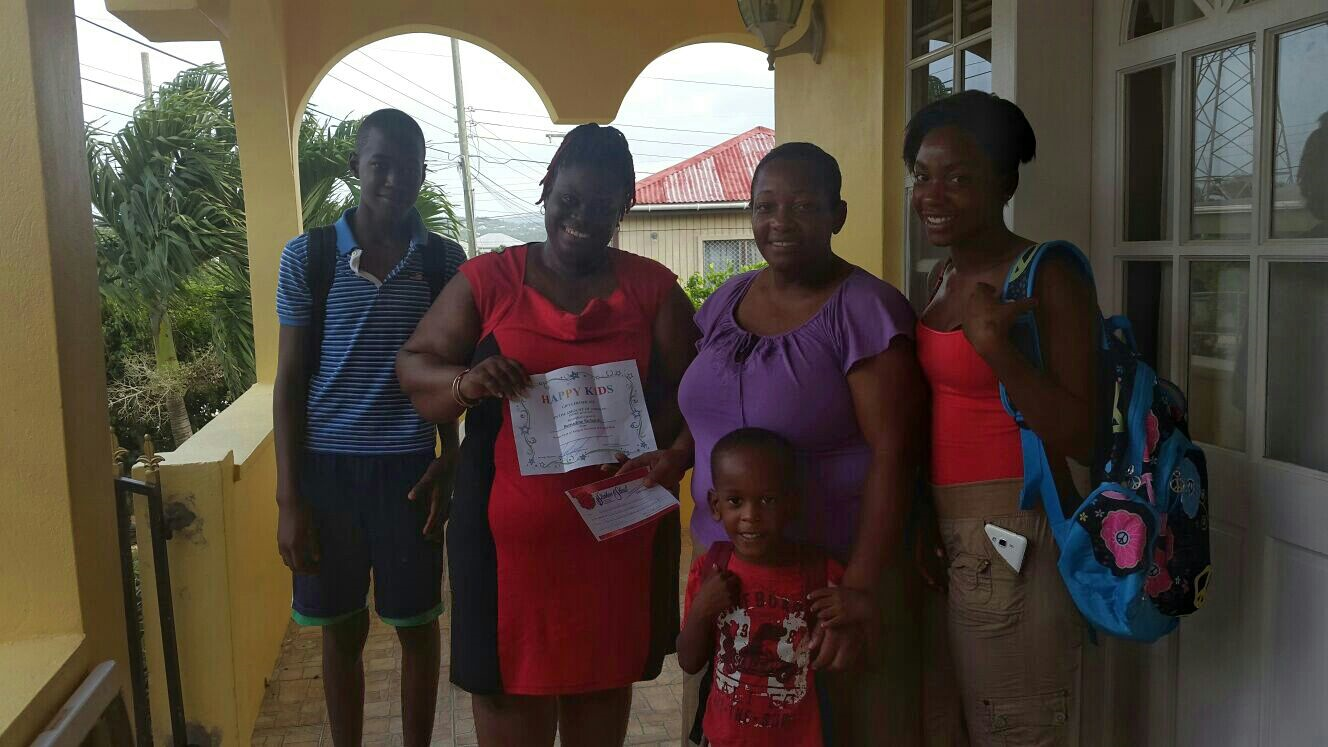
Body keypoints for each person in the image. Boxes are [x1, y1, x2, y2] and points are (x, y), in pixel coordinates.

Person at [395, 124, 698, 747]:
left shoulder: (654, 289)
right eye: (569, 199)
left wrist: (656, 447)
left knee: (600, 696)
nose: (581, 218)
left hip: (615, 543)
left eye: (602, 205)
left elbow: (695, 393)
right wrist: (467, 384)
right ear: (546, 188)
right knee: (508, 700)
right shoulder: (489, 279)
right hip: (507, 552)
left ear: (624, 207)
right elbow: (415, 366)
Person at [620, 142, 929, 745]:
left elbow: (896, 455)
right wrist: (679, 454)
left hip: (824, 583)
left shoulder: (864, 310)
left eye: (803, 206)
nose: (781, 222)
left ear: (838, 215)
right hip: (728, 575)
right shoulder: (728, 300)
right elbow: (709, 409)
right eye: (766, 206)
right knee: (728, 722)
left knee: (824, 727)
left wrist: (858, 588)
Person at [908, 90, 1096, 745]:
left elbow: (1085, 433)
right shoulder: (941, 276)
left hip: (1016, 531)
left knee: (1016, 729)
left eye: (958, 178)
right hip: (950, 530)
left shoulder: (1046, 275)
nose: (933, 194)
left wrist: (998, 351)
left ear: (1006, 183)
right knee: (950, 725)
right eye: (922, 176)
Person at [273, 109, 466, 746]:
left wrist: (449, 456)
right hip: (327, 474)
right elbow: (290, 381)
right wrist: (290, 499)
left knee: (417, 627)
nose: (394, 179)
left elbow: (450, 372)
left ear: (423, 173)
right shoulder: (310, 256)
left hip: (410, 472)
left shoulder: (443, 262)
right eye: (380, 164)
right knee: (342, 630)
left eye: (409, 166)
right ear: (355, 165)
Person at [678, 428, 847, 747]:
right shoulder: (711, 569)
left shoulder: (820, 573)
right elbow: (689, 661)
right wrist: (702, 609)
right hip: (724, 740)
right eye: (735, 501)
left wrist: (851, 609)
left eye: (767, 500)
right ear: (715, 504)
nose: (750, 516)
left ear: (792, 503)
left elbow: (858, 649)